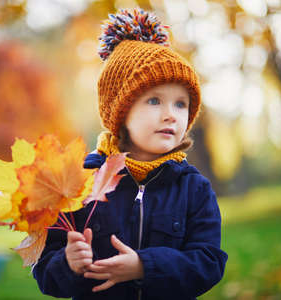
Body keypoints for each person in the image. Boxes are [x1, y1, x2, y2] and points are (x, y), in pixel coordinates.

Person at [33, 8, 228, 300]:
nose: (170, 116)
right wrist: (68, 264)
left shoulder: (193, 187)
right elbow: (46, 272)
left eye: (180, 104)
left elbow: (209, 262)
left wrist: (143, 266)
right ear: (120, 112)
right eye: (154, 100)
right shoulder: (79, 181)